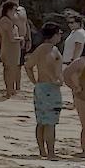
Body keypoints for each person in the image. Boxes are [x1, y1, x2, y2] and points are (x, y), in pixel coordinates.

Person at [27, 24, 65, 159]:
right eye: (59, 33)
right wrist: (55, 79)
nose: (61, 36)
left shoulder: (40, 49)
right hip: (49, 87)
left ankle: (43, 150)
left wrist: (35, 81)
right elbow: (49, 65)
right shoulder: (50, 49)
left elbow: (28, 65)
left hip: (42, 87)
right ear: (54, 35)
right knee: (50, 122)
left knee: (42, 121)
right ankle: (50, 152)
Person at [0, 0, 30, 95]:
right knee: (9, 67)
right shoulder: (5, 18)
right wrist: (20, 39)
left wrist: (27, 38)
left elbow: (26, 24)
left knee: (17, 65)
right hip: (10, 45)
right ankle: (9, 89)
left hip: (17, 44)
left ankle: (16, 87)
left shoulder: (21, 11)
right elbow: (7, 35)